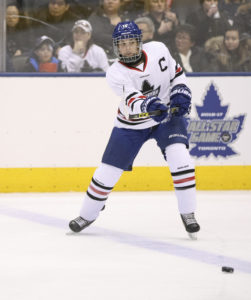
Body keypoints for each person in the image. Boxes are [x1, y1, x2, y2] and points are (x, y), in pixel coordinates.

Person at [69, 21, 200, 240]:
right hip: (131, 124)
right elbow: (131, 98)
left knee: (182, 160)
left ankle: (188, 214)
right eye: (123, 44)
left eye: (131, 43)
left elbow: (176, 73)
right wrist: (148, 105)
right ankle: (87, 214)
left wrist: (181, 92)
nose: (128, 48)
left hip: (166, 118)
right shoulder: (114, 73)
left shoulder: (158, 49)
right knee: (106, 173)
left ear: (140, 42)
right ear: (116, 47)